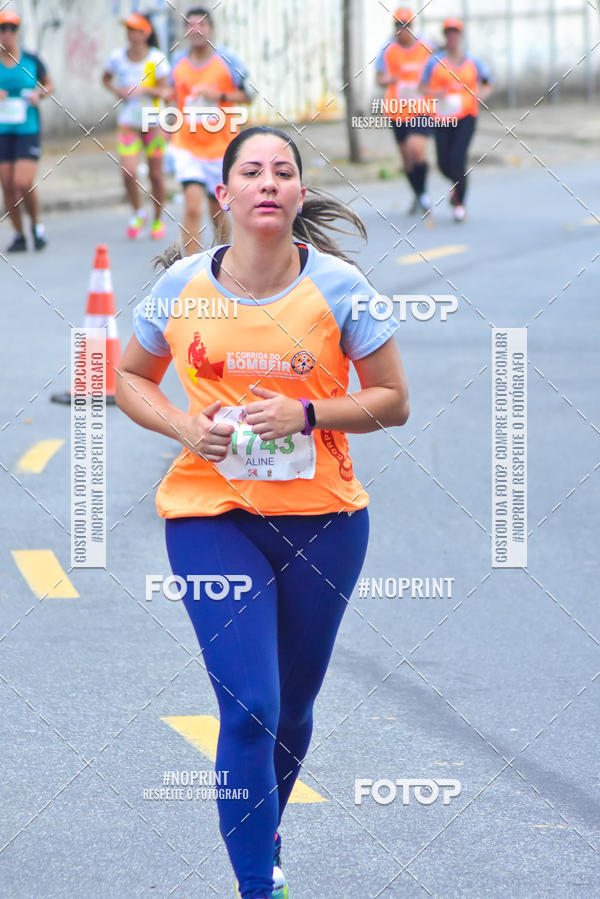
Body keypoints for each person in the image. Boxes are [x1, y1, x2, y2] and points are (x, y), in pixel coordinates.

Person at [116, 125, 410, 899]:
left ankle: (263, 832)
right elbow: (130, 379)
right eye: (252, 171)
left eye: (284, 171)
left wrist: (308, 414)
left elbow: (392, 401)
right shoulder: (181, 285)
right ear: (226, 195)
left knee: (295, 708)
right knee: (252, 706)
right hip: (211, 513)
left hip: (326, 522)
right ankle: (259, 886)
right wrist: (183, 426)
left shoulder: (342, 287)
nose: (268, 182)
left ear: (298, 194)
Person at [169, 7, 253, 255]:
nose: (196, 30)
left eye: (201, 25)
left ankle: (223, 256)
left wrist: (219, 95)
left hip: (221, 147)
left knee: (217, 211)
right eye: (191, 25)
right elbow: (174, 97)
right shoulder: (177, 62)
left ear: (211, 29)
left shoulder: (228, 60)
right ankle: (192, 267)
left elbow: (248, 96)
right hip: (187, 145)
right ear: (185, 31)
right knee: (192, 207)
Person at [102, 13, 171, 240]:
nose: (130, 35)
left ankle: (158, 218)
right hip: (129, 124)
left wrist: (144, 90)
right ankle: (137, 212)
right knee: (128, 172)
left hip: (153, 123)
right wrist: (118, 92)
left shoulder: (156, 59)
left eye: (135, 30)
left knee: (156, 175)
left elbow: (167, 92)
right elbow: (105, 78)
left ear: (145, 33)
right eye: (128, 30)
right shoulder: (117, 57)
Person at [419, 17, 492, 222]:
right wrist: (436, 92)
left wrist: (480, 95)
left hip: (466, 116)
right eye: (448, 33)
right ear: (445, 36)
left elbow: (487, 82)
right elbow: (422, 87)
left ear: (460, 36)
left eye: (455, 33)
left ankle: (459, 204)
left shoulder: (472, 62)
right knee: (443, 162)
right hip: (442, 117)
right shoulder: (435, 62)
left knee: (458, 158)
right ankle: (458, 185)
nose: (452, 37)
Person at [0, 8, 53, 252]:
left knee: (22, 182)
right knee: (7, 185)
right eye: (2, 29)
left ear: (17, 32)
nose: (7, 34)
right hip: (3, 131)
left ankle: (36, 225)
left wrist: (38, 94)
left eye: (12, 28)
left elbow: (49, 84)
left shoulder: (31, 60)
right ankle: (19, 234)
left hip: (27, 128)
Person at [375, 8, 434, 215]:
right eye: (398, 25)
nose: (402, 29)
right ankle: (418, 195)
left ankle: (423, 194)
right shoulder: (388, 50)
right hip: (397, 110)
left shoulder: (426, 47)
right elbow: (379, 78)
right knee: (407, 160)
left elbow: (440, 69)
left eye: (406, 25)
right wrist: (388, 80)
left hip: (421, 109)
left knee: (415, 149)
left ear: (413, 27)